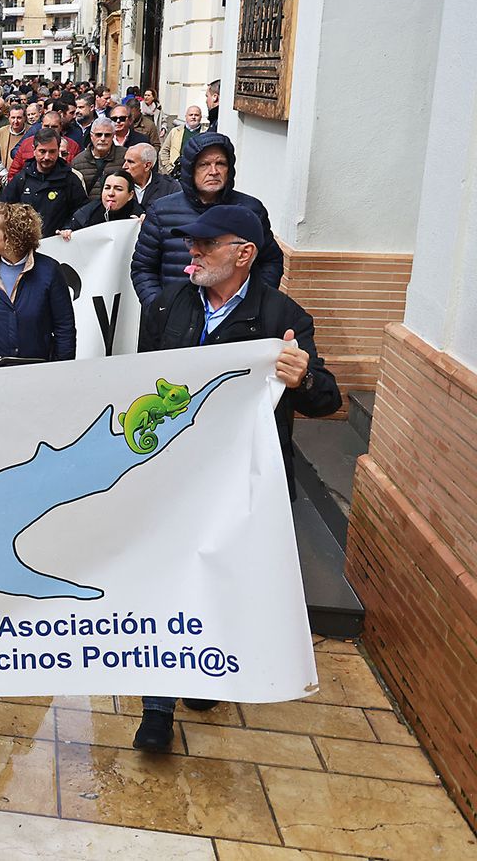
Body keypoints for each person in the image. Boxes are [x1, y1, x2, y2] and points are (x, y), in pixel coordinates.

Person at [130, 204, 340, 754]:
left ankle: (205, 676)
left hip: (240, 484)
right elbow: (138, 383)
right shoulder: (167, 305)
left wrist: (304, 377)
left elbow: (327, 398)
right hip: (172, 477)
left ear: (244, 254)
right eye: (190, 244)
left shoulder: (283, 318)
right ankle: (157, 705)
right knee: (166, 579)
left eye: (206, 244)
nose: (191, 252)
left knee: (220, 579)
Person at [131, 132, 284, 305]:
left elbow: (270, 261)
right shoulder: (161, 211)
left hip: (234, 320)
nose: (213, 171)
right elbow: (143, 268)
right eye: (204, 164)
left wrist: (253, 303)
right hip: (174, 318)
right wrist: (160, 308)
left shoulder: (251, 210)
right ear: (190, 169)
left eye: (220, 163)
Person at [0, 203, 76, 370]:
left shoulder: (50, 271)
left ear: (11, 237)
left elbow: (64, 328)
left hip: (34, 369)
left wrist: (63, 370)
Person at [0, 127, 90, 236]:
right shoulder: (22, 178)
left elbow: (82, 212)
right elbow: (4, 209)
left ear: (58, 150)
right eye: (42, 151)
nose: (47, 157)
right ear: (34, 150)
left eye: (52, 152)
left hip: (57, 244)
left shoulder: (70, 179)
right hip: (25, 244)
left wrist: (69, 227)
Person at [59, 172, 142, 236]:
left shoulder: (139, 215)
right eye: (107, 188)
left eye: (118, 189)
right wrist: (67, 232)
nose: (111, 193)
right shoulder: (86, 214)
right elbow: (71, 228)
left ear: (130, 195)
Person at [68, 116, 126, 198]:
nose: (102, 139)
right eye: (98, 135)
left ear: (113, 136)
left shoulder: (125, 156)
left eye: (107, 135)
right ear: (91, 136)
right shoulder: (77, 162)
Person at [124, 145, 181, 210]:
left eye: (130, 162)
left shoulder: (170, 187)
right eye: (125, 161)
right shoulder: (117, 184)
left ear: (147, 166)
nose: (124, 166)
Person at [159, 105, 204, 177]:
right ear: (186, 117)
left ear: (201, 117)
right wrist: (169, 168)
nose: (193, 117)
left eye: (196, 115)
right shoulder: (175, 131)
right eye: (190, 115)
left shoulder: (205, 133)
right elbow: (164, 151)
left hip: (196, 174)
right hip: (176, 172)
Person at [0, 103, 28, 168]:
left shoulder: (31, 131)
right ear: (8, 118)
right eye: (13, 118)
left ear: (24, 118)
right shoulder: (1, 132)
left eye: (19, 118)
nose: (15, 121)